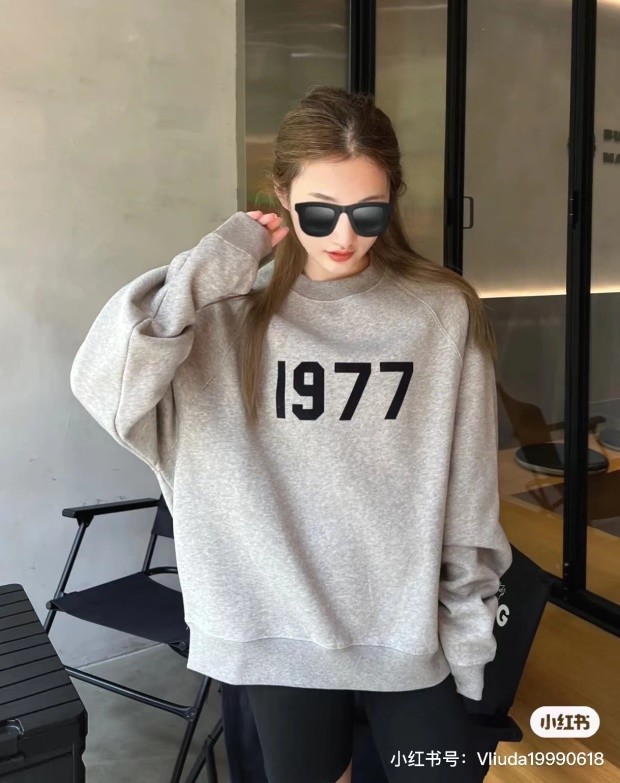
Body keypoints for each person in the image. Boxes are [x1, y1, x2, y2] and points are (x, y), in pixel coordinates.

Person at [70, 85, 513, 782]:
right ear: (281, 195)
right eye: (320, 211)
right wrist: (203, 272)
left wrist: (468, 629)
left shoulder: (440, 312)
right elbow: (108, 387)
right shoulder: (223, 317)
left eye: (369, 212)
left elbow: (468, 491)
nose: (345, 236)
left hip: (406, 628)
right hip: (272, 626)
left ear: (392, 199)